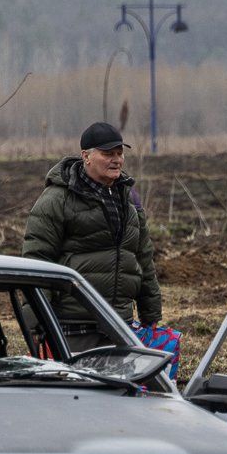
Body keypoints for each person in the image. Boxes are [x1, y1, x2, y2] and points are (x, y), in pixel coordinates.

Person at [22, 122, 162, 351]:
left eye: (120, 153)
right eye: (108, 154)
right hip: (74, 324)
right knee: (76, 386)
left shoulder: (129, 198)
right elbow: (38, 260)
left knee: (121, 385)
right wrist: (36, 321)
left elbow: (142, 255)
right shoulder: (57, 199)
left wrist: (151, 312)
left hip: (120, 323)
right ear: (86, 156)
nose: (116, 159)